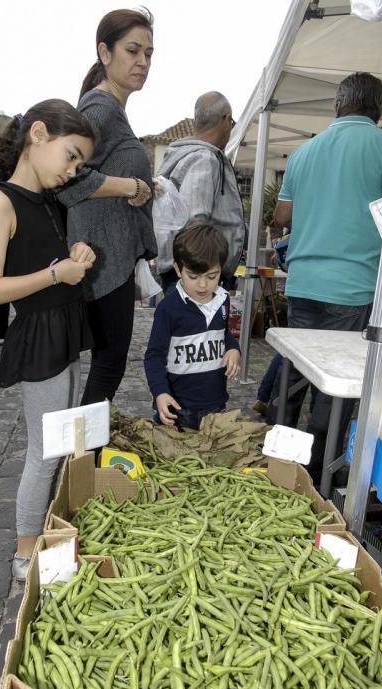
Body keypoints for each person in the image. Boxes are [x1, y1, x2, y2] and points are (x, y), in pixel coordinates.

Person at [0, 100, 97, 581]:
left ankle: (54, 528)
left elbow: (53, 264)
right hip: (40, 339)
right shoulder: (1, 201)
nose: (72, 170)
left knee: (64, 442)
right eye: (71, 156)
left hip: (65, 329)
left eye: (79, 163)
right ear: (38, 135)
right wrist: (54, 274)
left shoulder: (49, 202)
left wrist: (77, 256)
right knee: (43, 453)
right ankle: (26, 552)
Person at [267, 72, 382, 484]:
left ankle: (280, 463)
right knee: (335, 388)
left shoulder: (304, 152)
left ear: (337, 105)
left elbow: (281, 216)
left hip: (303, 281)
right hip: (354, 287)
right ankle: (318, 479)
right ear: (377, 110)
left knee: (295, 375)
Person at [58, 8, 157, 406]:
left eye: (149, 53)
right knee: (108, 364)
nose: (143, 62)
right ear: (104, 52)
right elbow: (66, 177)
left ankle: (84, 457)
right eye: (132, 50)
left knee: (107, 363)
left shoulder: (112, 110)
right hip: (100, 261)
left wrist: (141, 190)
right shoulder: (99, 109)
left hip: (107, 257)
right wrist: (131, 185)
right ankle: (84, 460)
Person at [144, 221, 241, 429]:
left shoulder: (223, 299)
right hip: (178, 408)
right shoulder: (168, 308)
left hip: (216, 405)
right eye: (193, 276)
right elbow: (154, 356)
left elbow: (224, 334)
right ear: (178, 269)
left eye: (212, 276)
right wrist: (160, 393)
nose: (203, 284)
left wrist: (233, 349)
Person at [155, 91, 245, 292]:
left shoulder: (181, 156)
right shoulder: (205, 158)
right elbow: (195, 222)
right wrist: (204, 278)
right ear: (226, 119)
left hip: (186, 271)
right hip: (199, 271)